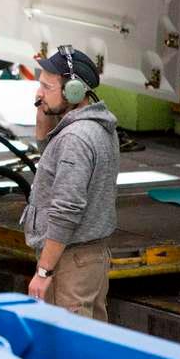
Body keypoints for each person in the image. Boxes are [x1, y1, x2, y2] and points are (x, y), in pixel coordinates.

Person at [23, 44, 119, 321]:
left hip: (69, 264)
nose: (39, 93)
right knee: (90, 342)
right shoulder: (98, 127)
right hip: (89, 259)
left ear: (73, 91)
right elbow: (52, 161)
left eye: (47, 87)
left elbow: (66, 210)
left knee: (65, 345)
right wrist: (43, 114)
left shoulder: (75, 139)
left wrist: (44, 271)